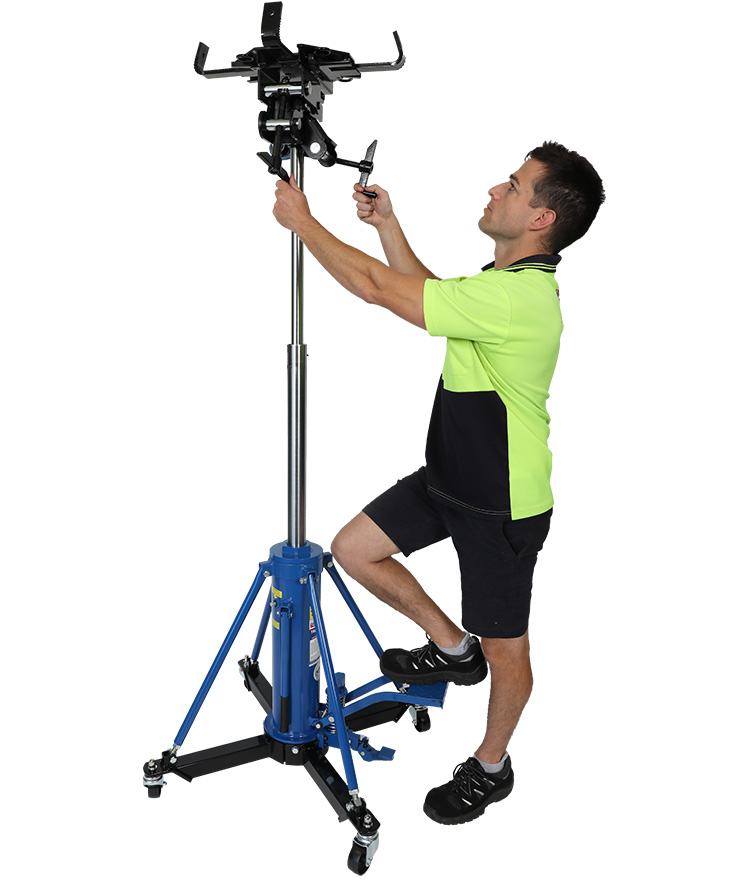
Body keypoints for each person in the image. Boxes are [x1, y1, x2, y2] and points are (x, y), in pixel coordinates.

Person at [273, 141, 605, 825]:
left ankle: (491, 766)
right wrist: (387, 225)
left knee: (508, 650)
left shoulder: (518, 298)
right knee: (354, 548)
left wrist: (304, 224)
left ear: (541, 219)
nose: (495, 189)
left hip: (502, 504)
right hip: (450, 476)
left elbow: (379, 291)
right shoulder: (498, 286)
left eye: (513, 185)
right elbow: (427, 293)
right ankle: (454, 649)